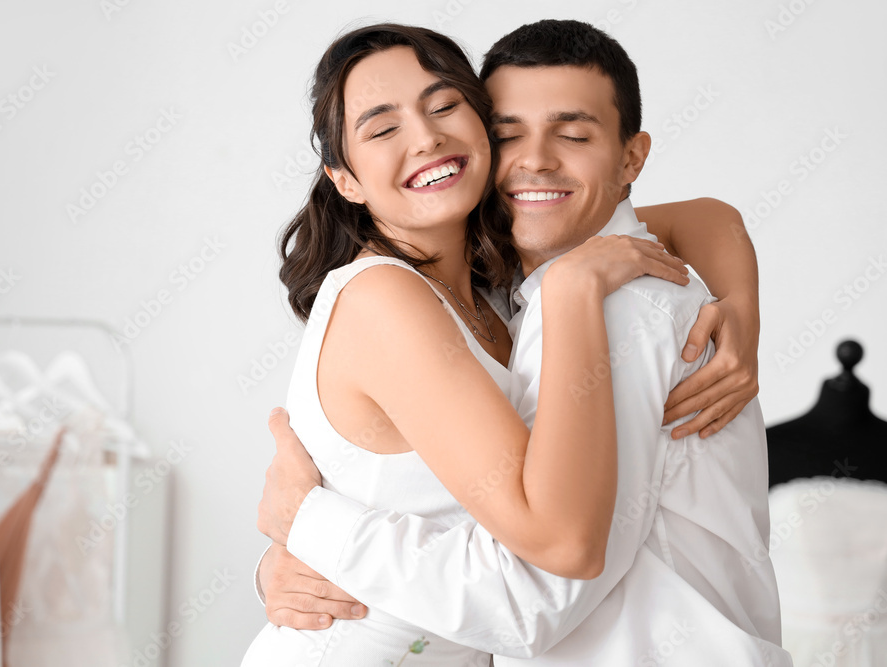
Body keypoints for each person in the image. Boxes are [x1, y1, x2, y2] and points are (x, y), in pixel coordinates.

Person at [254, 20, 792, 667]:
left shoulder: (515, 288)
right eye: (383, 126)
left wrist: (308, 521)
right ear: (345, 178)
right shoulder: (397, 298)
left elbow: (703, 214)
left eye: (443, 105)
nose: (425, 137)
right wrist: (297, 532)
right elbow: (548, 565)